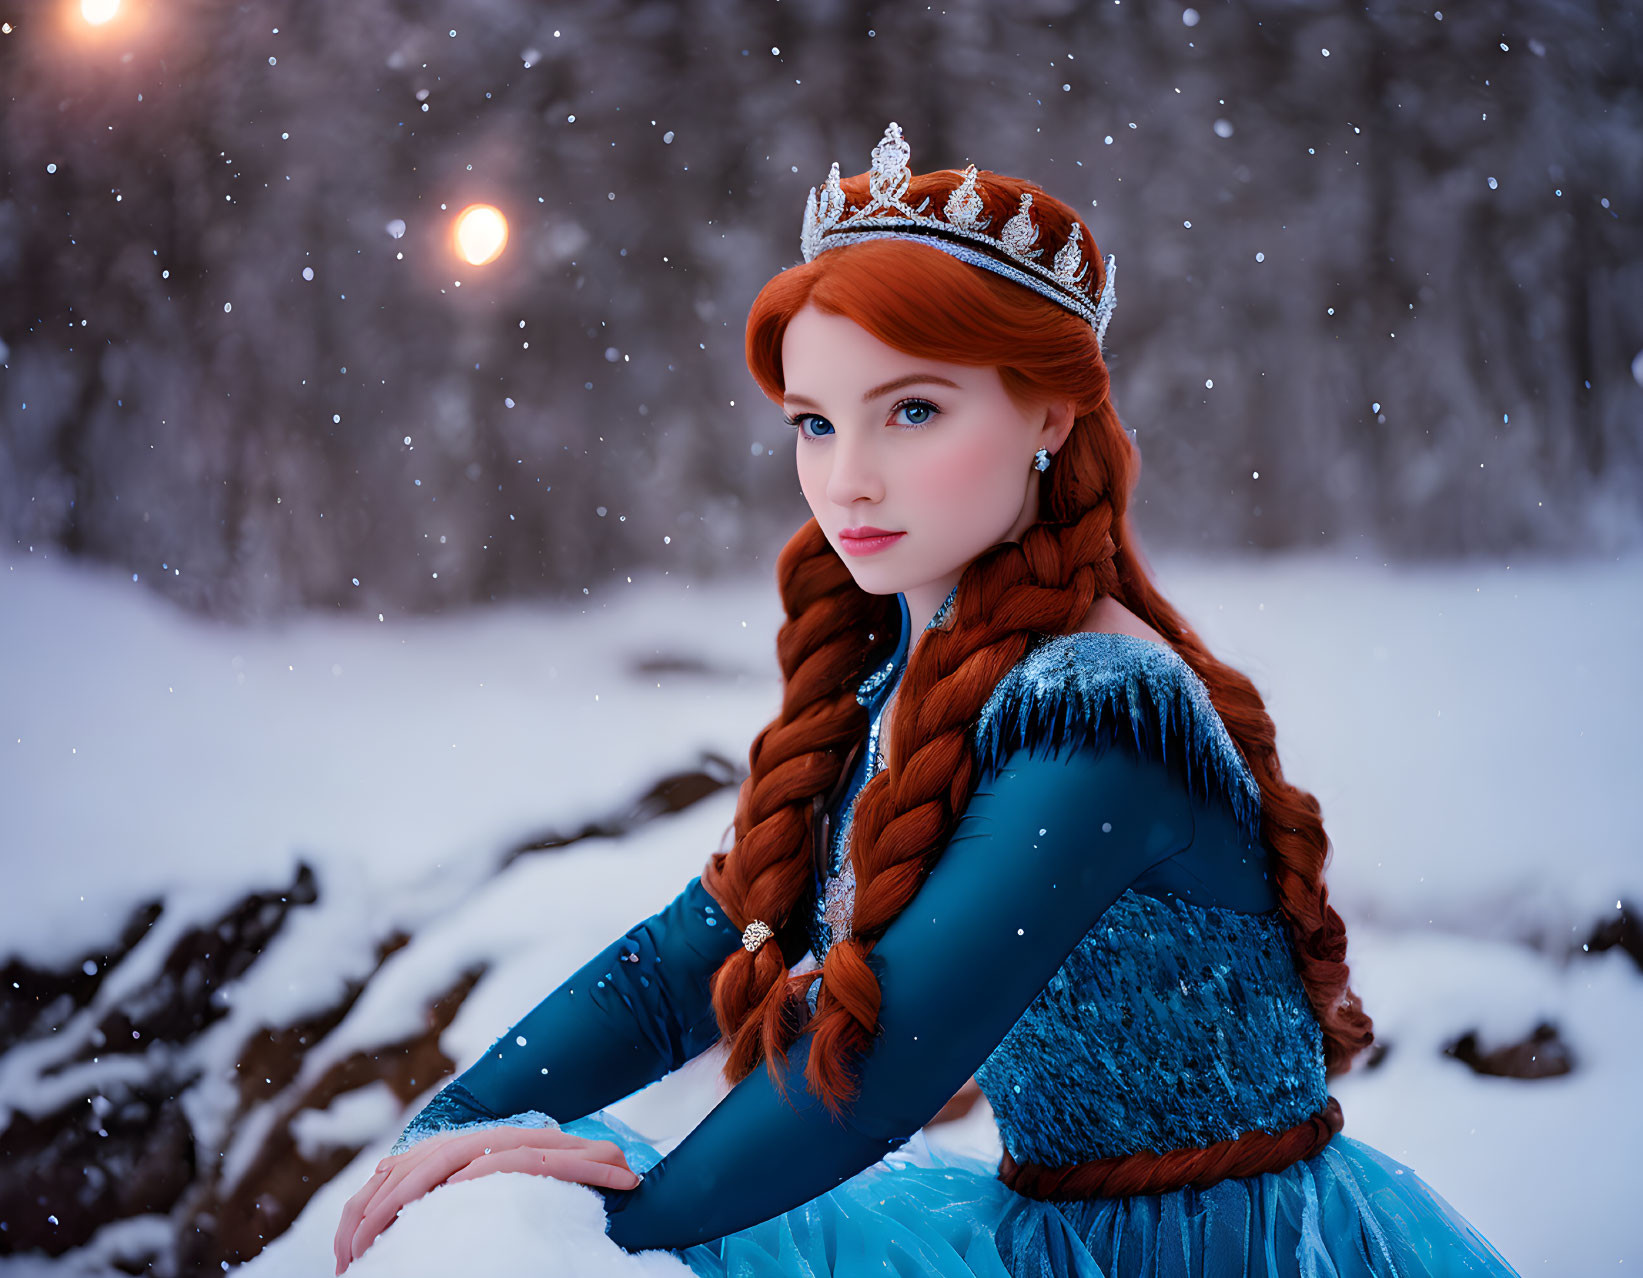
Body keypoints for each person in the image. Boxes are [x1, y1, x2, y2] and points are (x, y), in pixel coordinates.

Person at [334, 123, 1521, 1276]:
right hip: (1040, 1233)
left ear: (1048, 416)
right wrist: (442, 1134)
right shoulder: (888, 688)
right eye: (814, 422)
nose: (845, 480)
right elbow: (677, 971)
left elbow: (882, 1067)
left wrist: (590, 1241)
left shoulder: (1101, 719)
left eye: (911, 411)